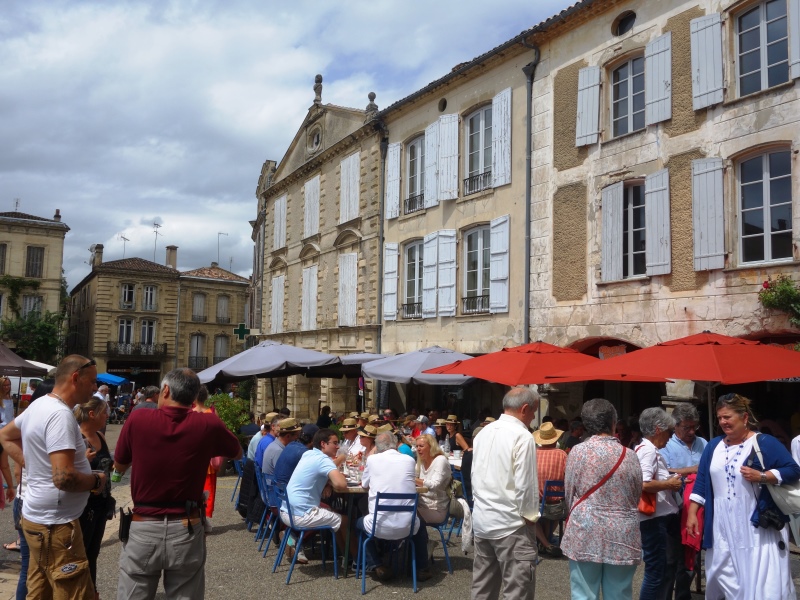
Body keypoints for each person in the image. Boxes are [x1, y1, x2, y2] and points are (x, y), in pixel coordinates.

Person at [113, 368, 241, 599]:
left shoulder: (139, 418)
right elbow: (237, 452)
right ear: (194, 397)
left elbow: (119, 466)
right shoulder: (208, 423)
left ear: (166, 390)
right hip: (186, 526)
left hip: (144, 525)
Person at [0, 355, 104, 600]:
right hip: (57, 525)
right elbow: (64, 479)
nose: (95, 388)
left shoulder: (39, 405)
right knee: (74, 593)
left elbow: (5, 436)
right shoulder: (59, 415)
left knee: (39, 592)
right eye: (92, 381)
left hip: (40, 520)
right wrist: (97, 480)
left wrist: (34, 465)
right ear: (75, 378)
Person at [686, 393, 800, 600]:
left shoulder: (764, 442)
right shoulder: (713, 447)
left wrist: (763, 476)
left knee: (760, 578)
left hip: (755, 523)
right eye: (720, 418)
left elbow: (793, 470)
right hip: (722, 524)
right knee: (724, 573)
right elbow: (702, 481)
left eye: (728, 417)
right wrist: (692, 513)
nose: (723, 422)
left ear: (744, 417)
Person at [561, 398, 643, 600]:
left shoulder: (578, 452)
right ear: (613, 422)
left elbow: (569, 492)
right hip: (622, 531)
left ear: (587, 425)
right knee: (619, 594)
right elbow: (635, 494)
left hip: (585, 529)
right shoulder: (629, 454)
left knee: (583, 593)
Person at [471, 387, 539, 600]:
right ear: (525, 409)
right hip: (510, 524)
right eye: (534, 411)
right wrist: (530, 517)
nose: (534, 416)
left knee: (483, 589)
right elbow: (526, 484)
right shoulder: (522, 436)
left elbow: (475, 474)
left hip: (483, 520)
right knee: (517, 591)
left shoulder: (483, 432)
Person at [359, 431, 431, 582]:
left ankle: (377, 565)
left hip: (377, 527)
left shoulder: (372, 459)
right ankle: (421, 568)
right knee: (420, 525)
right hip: (407, 527)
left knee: (358, 523)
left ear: (378, 447)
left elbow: (364, 484)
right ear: (395, 444)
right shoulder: (408, 460)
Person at [658, 402, 708, 599]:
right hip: (673, 508)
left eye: (694, 426)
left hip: (697, 509)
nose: (691, 431)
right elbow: (663, 471)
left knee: (691, 557)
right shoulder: (666, 446)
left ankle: (683, 595)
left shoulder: (703, 444)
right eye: (686, 427)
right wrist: (691, 470)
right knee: (670, 559)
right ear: (676, 425)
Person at [282, 429, 352, 565]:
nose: (337, 446)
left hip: (287, 511)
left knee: (335, 515)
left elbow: (317, 476)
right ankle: (356, 560)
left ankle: (346, 557)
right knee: (346, 520)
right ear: (323, 444)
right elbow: (341, 484)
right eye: (335, 443)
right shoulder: (323, 460)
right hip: (301, 515)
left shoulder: (308, 454)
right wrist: (337, 471)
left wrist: (327, 482)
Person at [635, 407, 682, 600]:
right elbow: (644, 483)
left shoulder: (644, 449)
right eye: (670, 432)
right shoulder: (648, 451)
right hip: (655, 519)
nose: (671, 437)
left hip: (657, 517)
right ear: (658, 429)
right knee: (656, 572)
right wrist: (669, 483)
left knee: (659, 570)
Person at [74, 397, 114, 599]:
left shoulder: (100, 435)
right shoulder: (79, 440)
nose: (108, 415)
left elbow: (110, 465)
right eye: (104, 411)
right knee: (82, 553)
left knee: (94, 552)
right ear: (92, 414)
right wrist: (83, 460)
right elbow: (68, 474)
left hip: (102, 504)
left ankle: (92, 592)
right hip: (84, 507)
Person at [533, 421, 567, 558]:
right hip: (557, 507)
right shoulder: (562, 455)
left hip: (535, 505)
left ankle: (544, 542)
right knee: (551, 512)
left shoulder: (533, 454)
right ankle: (546, 542)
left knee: (528, 516)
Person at [414, 434, 450, 525]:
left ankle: (420, 539)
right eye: (417, 446)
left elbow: (434, 485)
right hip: (420, 505)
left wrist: (413, 479)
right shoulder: (421, 462)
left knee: (406, 514)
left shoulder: (440, 460)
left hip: (436, 510)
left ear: (431, 447)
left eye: (421, 446)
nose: (418, 449)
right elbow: (412, 476)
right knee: (399, 510)